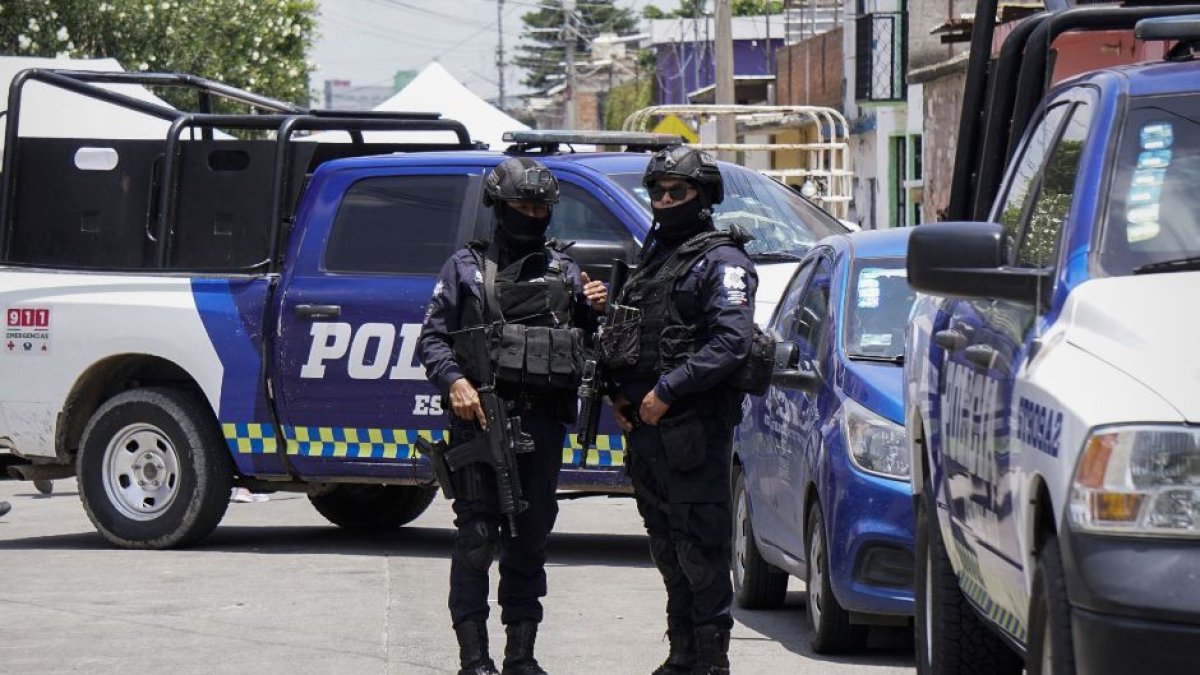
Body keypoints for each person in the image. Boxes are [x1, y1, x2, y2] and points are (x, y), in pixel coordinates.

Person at [418, 157, 607, 675]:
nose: (531, 214)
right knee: (478, 538)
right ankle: (474, 659)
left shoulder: (565, 270)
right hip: (480, 418)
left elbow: (590, 344)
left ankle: (521, 655)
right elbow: (432, 340)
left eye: (539, 207)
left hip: (541, 423)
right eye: (521, 206)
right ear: (499, 208)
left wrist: (593, 306)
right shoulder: (464, 268)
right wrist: (455, 382)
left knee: (530, 537)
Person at [605, 147, 758, 675]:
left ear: (702, 196)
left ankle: (712, 664)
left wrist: (668, 390)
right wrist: (621, 393)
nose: (665, 201)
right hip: (648, 433)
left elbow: (731, 341)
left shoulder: (722, 261)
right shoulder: (654, 257)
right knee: (668, 549)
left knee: (701, 551)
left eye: (678, 192)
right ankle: (682, 654)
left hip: (694, 431)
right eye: (658, 192)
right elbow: (634, 335)